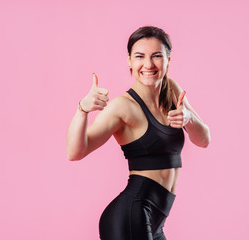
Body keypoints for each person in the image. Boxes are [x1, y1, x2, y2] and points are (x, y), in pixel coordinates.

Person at [66, 26, 210, 240]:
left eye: (157, 56)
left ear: (169, 60)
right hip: (131, 214)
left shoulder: (172, 90)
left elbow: (203, 140)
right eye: (140, 56)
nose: (148, 64)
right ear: (130, 61)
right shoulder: (122, 107)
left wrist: (189, 118)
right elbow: (76, 152)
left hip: (156, 220)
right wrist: (82, 110)